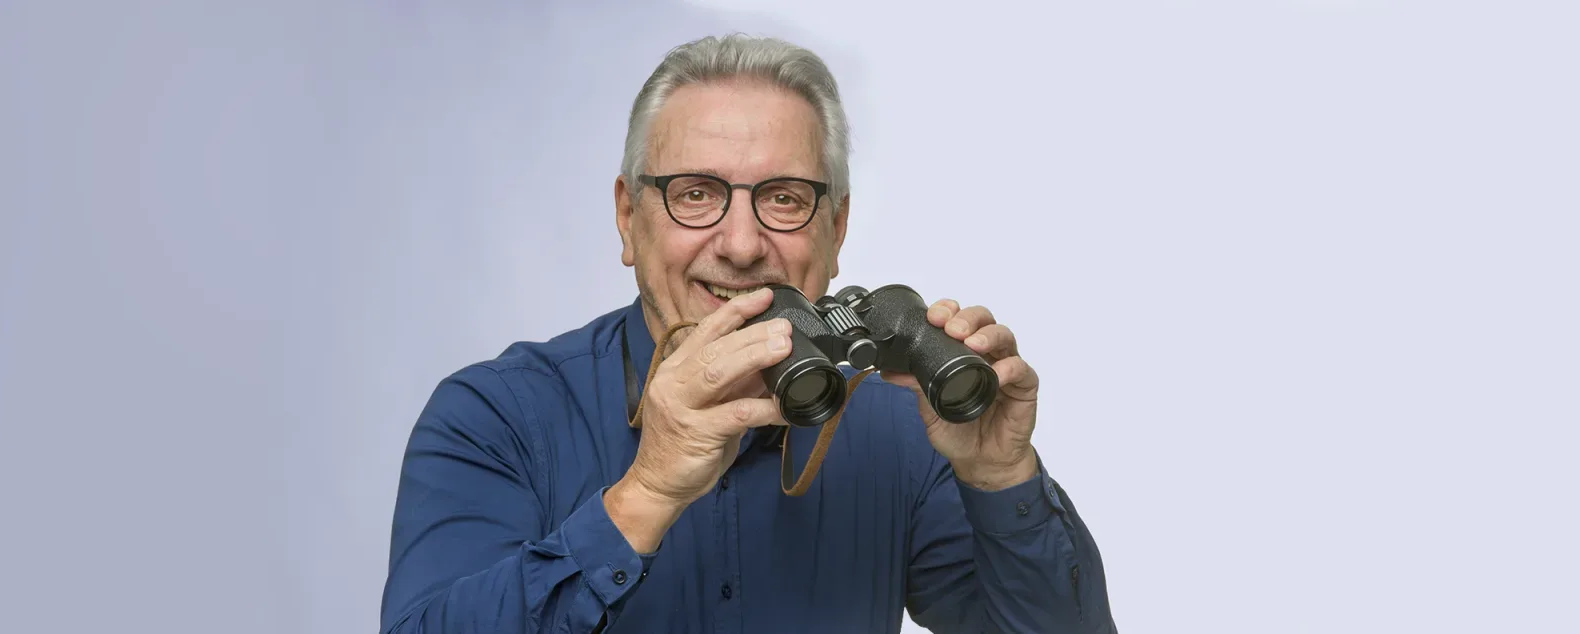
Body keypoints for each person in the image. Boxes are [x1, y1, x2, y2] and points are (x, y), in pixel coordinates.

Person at [379, 33, 1117, 634]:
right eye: (694, 194)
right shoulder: (495, 418)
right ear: (628, 218)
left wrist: (999, 480)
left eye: (785, 199)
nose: (740, 243)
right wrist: (646, 493)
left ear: (837, 231)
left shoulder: (905, 428)